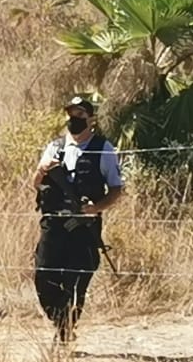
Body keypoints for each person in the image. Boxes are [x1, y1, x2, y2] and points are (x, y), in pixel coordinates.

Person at [31, 94, 125, 342]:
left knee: (76, 280)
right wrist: (43, 171)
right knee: (43, 276)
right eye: (71, 114)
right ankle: (60, 319)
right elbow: (36, 183)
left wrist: (96, 208)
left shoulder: (103, 148)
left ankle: (65, 329)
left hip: (84, 226)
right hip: (53, 223)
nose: (74, 118)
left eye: (80, 114)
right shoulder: (55, 147)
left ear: (91, 119)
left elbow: (116, 189)